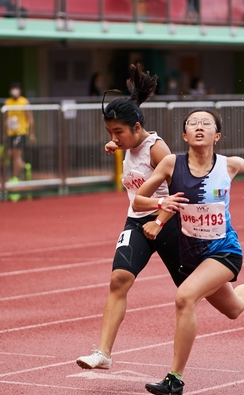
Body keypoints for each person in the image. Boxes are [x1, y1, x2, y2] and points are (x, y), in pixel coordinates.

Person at [133, 109, 244, 395]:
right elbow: (139, 200)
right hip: (192, 256)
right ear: (184, 136)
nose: (199, 127)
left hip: (224, 251)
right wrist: (160, 206)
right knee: (234, 308)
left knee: (184, 297)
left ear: (217, 136)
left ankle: (175, 379)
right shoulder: (170, 164)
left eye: (206, 123)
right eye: (192, 123)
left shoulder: (228, 165)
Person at [75, 64, 187, 370]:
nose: (113, 138)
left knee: (216, 298)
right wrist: (116, 142)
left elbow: (181, 193)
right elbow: (126, 146)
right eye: (109, 133)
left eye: (118, 132)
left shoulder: (158, 151)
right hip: (137, 222)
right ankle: (103, 353)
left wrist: (159, 222)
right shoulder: (128, 142)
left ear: (137, 127)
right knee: (119, 280)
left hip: (167, 222)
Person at [3, 82, 36, 182]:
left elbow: (30, 119)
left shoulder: (24, 102)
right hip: (10, 132)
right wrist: (4, 133)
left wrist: (32, 134)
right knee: (10, 154)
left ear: (20, 90)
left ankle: (15, 177)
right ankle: (25, 167)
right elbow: (5, 119)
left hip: (20, 132)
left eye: (16, 88)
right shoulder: (7, 102)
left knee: (16, 154)